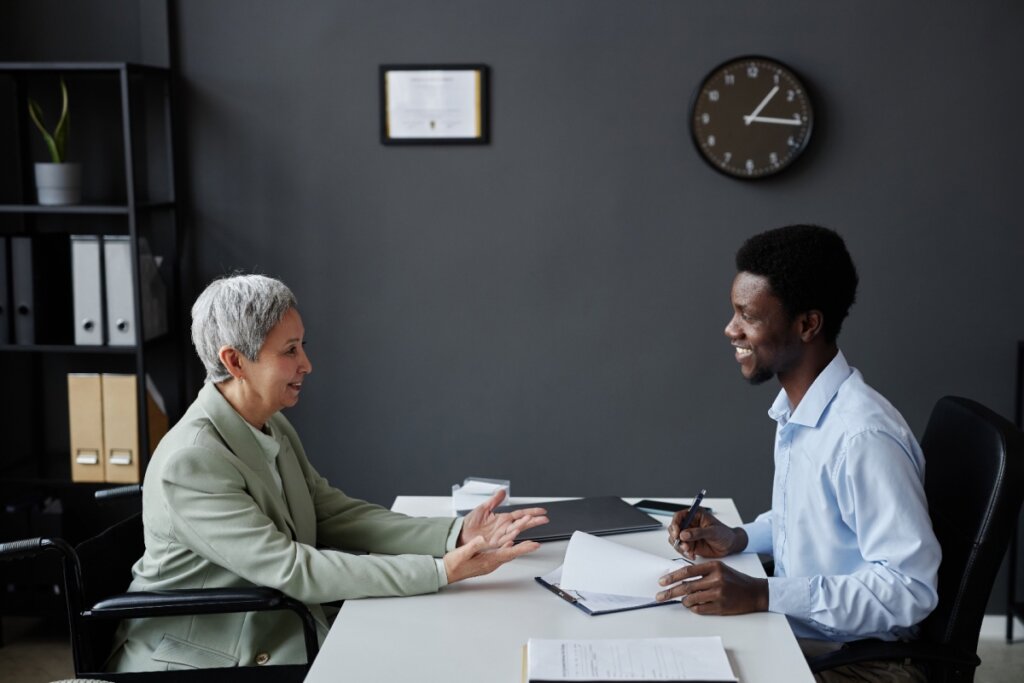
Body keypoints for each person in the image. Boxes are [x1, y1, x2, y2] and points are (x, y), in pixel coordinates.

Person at [108, 274, 548, 672]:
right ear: (236, 361)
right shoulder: (192, 461)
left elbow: (332, 513)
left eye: (302, 345)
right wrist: (439, 571)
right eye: (290, 351)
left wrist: (454, 536)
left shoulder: (270, 422)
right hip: (207, 656)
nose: (307, 364)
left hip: (276, 620)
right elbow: (289, 567)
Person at [655, 225, 940, 682]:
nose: (731, 330)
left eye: (748, 316)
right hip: (809, 638)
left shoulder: (862, 437)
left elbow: (909, 590)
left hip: (866, 664)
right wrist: (740, 539)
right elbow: (816, 520)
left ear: (807, 324)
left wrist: (764, 594)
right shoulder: (800, 410)